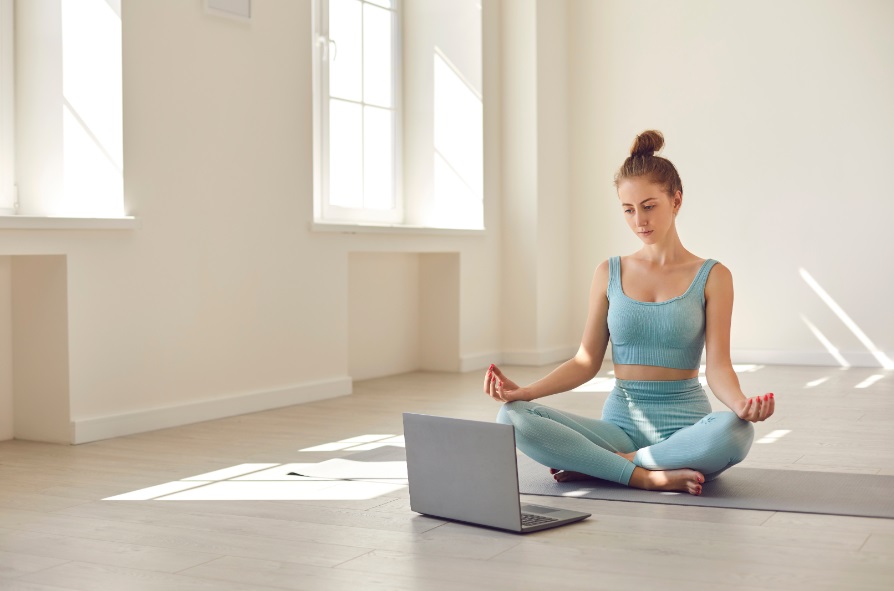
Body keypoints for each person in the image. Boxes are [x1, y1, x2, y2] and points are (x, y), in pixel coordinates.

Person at [485, 130, 774, 496]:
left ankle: (613, 464)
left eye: (649, 206)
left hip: (685, 429)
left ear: (676, 200)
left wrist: (740, 405)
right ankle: (644, 473)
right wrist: (525, 392)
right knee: (512, 417)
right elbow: (585, 361)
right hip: (619, 424)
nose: (639, 220)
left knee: (736, 432)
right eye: (628, 209)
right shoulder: (609, 272)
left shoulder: (714, 276)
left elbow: (718, 366)